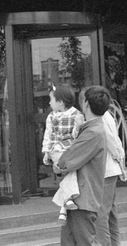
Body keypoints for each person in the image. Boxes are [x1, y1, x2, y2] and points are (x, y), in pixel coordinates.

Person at [55, 86, 109, 246]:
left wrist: (58, 166)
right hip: (79, 198)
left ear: (85, 103)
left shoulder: (93, 132)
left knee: (84, 242)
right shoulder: (92, 129)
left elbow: (66, 161)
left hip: (83, 198)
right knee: (69, 242)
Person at [43, 85, 85, 225]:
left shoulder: (76, 115)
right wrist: (46, 151)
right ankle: (66, 203)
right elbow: (48, 134)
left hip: (70, 149)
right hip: (57, 149)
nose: (49, 102)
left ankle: (64, 208)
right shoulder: (51, 116)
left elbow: (75, 135)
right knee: (70, 169)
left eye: (51, 99)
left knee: (69, 173)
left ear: (60, 102)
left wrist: (78, 125)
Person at [95, 94, 127, 246]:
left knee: (101, 212)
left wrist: (119, 159)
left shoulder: (101, 118)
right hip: (110, 169)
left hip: (107, 170)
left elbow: (112, 141)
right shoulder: (107, 116)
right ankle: (115, 242)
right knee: (110, 211)